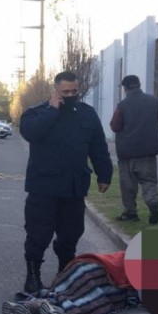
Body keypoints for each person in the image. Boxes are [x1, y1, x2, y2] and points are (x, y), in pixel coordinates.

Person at [19, 71, 113, 293]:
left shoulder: (87, 114)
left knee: (70, 235)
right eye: (65, 92)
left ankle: (65, 275)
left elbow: (98, 147)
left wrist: (104, 174)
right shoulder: (36, 113)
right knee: (38, 234)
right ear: (56, 91)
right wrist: (53, 111)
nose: (70, 95)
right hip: (43, 187)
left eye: (74, 91)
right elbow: (31, 133)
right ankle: (33, 277)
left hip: (73, 187)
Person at [1, 251, 139, 314]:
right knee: (91, 299)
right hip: (99, 275)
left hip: (82, 265)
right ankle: (56, 309)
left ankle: (33, 305)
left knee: (59, 290)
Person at [109, 75, 158, 224]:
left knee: (128, 186)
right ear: (139, 85)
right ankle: (153, 202)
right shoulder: (153, 100)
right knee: (149, 182)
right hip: (148, 151)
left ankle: (130, 213)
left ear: (125, 88)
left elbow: (115, 126)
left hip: (127, 152)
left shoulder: (122, 105)